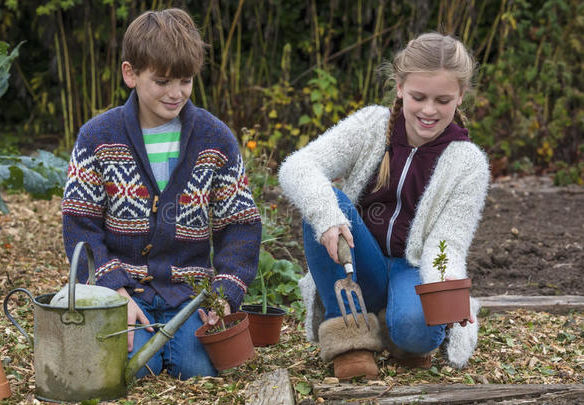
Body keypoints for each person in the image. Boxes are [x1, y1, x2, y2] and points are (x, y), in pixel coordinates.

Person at [62, 8, 261, 380]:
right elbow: (80, 227)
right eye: (163, 81)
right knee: (136, 369)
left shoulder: (214, 140)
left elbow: (241, 225)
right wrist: (112, 290)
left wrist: (224, 291)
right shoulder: (97, 138)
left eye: (185, 81)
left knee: (197, 367)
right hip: (123, 289)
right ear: (130, 74)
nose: (176, 94)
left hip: (190, 295)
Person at [279, 33, 489, 380]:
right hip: (359, 266)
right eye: (418, 97)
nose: (428, 110)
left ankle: (393, 321)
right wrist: (327, 216)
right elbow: (297, 167)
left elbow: (445, 245)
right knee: (324, 202)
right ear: (399, 87)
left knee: (416, 334)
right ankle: (351, 341)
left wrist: (447, 284)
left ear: (461, 96)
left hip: (413, 270)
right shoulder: (372, 126)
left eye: (442, 99)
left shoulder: (467, 163)